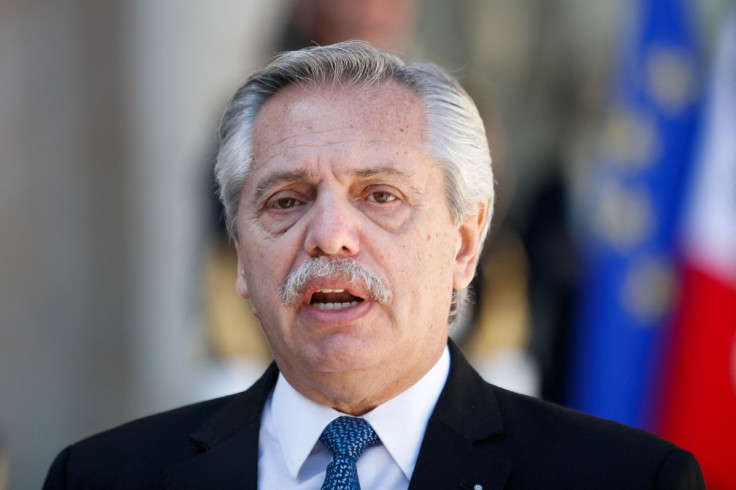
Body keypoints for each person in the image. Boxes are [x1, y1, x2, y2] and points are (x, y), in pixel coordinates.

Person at [43, 41, 704, 489]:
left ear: (465, 245)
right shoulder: (101, 478)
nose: (330, 236)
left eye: (380, 196)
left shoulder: (626, 479)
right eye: (287, 200)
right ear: (242, 257)